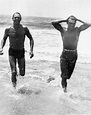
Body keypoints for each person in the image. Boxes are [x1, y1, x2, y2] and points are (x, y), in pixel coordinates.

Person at [52, 15, 91, 92]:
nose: (71, 25)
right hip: (64, 54)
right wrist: (64, 20)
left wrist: (78, 19)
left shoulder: (77, 30)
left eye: (73, 23)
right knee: (64, 76)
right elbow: (53, 23)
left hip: (73, 55)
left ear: (75, 24)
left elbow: (88, 24)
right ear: (67, 23)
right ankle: (64, 92)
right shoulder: (63, 30)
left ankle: (54, 79)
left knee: (68, 76)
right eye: (69, 23)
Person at [0, 12, 34, 88]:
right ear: (12, 18)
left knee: (22, 73)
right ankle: (14, 88)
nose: (17, 19)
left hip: (21, 51)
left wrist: (31, 50)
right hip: (12, 51)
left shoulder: (24, 29)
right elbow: (4, 39)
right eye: (15, 17)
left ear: (20, 19)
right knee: (14, 71)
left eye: (18, 17)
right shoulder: (8, 29)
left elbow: (31, 39)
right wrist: (1, 48)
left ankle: (15, 76)